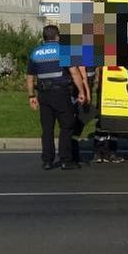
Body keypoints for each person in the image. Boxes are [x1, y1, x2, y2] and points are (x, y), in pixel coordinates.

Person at [26, 25, 89, 169]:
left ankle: (47, 161)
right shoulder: (63, 50)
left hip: (44, 95)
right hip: (61, 94)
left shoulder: (35, 53)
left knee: (47, 129)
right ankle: (65, 160)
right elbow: (74, 73)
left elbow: (29, 77)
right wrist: (81, 92)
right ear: (57, 36)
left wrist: (31, 96)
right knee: (66, 126)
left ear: (44, 37)